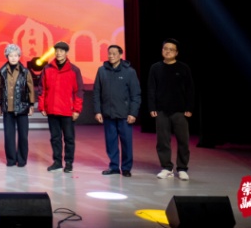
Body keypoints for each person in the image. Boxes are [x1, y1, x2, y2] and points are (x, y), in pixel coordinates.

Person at [148, 38, 194, 181]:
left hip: (180, 111)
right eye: (165, 49)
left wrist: (189, 108)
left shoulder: (183, 68)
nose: (168, 51)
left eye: (171, 49)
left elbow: (190, 89)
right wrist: (152, 107)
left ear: (176, 52)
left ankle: (182, 168)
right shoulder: (155, 68)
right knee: (162, 141)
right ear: (162, 50)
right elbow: (151, 89)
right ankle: (166, 167)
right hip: (161, 110)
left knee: (183, 141)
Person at [94, 44, 140, 177]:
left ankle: (126, 168)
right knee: (111, 142)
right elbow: (96, 92)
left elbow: (136, 94)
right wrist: (98, 111)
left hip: (125, 115)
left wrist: (133, 113)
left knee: (126, 143)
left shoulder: (129, 72)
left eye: (114, 53)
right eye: (109, 53)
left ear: (120, 55)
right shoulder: (102, 70)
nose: (111, 56)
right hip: (108, 114)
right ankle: (114, 167)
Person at [38, 41, 83, 173]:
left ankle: (68, 163)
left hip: (67, 111)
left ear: (66, 53)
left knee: (69, 138)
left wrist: (77, 109)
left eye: (61, 51)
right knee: (55, 138)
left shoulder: (74, 70)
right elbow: (42, 89)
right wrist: (42, 106)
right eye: (57, 51)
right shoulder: (47, 69)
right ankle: (57, 162)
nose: (58, 53)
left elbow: (79, 91)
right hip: (52, 109)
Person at [0, 44, 35, 168]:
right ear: (7, 57)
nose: (13, 58)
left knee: (23, 136)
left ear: (19, 57)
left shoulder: (25, 71)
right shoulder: (2, 71)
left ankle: (22, 160)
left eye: (15, 55)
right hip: (7, 108)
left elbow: (30, 88)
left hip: (22, 107)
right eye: (10, 55)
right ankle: (11, 159)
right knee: (9, 136)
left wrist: (31, 104)